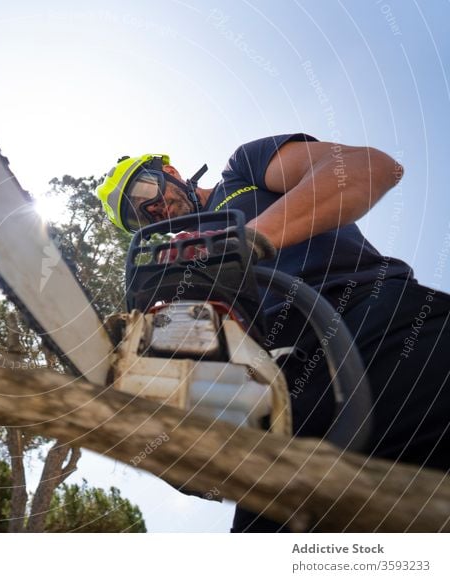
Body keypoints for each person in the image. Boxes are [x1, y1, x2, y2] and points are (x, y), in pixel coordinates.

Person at [95, 134, 450, 531]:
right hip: (275, 405)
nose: (151, 207)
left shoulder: (243, 171)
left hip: (376, 323)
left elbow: (372, 168)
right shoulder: (181, 257)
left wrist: (246, 241)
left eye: (143, 189)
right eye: (138, 216)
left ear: (169, 172)